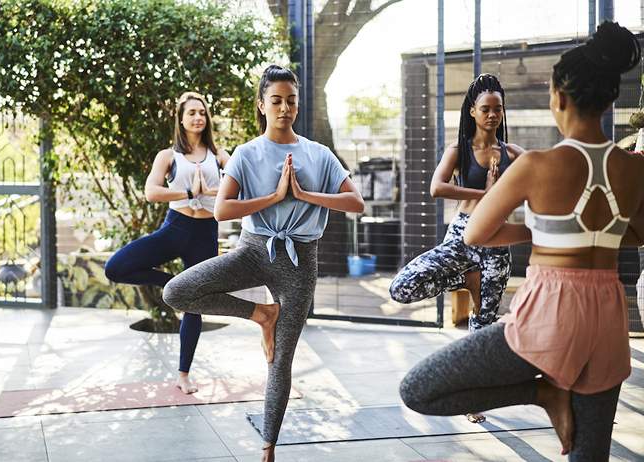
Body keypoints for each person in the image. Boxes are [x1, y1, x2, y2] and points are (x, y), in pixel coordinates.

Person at [399, 22, 643, 460]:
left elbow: (478, 233)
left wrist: (542, 231)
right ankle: (553, 397)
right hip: (608, 320)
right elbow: (639, 233)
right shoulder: (633, 167)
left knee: (418, 389)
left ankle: (543, 396)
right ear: (609, 101)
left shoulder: (535, 164)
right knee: (591, 455)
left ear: (559, 99)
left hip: (549, 316)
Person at [163, 65, 364, 462]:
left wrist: (305, 194)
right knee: (177, 291)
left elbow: (355, 203)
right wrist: (274, 197)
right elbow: (222, 210)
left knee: (280, 361)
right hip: (254, 249)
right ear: (262, 105)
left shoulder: (318, 154)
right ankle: (261, 314)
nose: (285, 107)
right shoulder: (246, 153)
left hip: (300, 262)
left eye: (291, 100)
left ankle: (268, 446)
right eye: (276, 100)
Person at [104, 91, 229, 394]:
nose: (198, 117)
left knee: (194, 306)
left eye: (202, 112)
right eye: (192, 113)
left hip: (205, 234)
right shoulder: (168, 156)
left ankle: (183, 375)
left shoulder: (220, 154)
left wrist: (214, 192)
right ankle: (172, 282)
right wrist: (188, 193)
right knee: (115, 268)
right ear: (181, 119)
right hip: (176, 229)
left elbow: (240, 185)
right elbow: (151, 192)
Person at [389, 73, 525, 334]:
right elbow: (436, 187)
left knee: (485, 321)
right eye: (485, 109)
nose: (492, 115)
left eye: (498, 109)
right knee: (402, 287)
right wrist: (486, 195)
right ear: (473, 111)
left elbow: (541, 177)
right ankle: (467, 277)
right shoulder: (459, 150)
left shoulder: (513, 153)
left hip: (496, 239)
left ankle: (477, 372)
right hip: (463, 233)